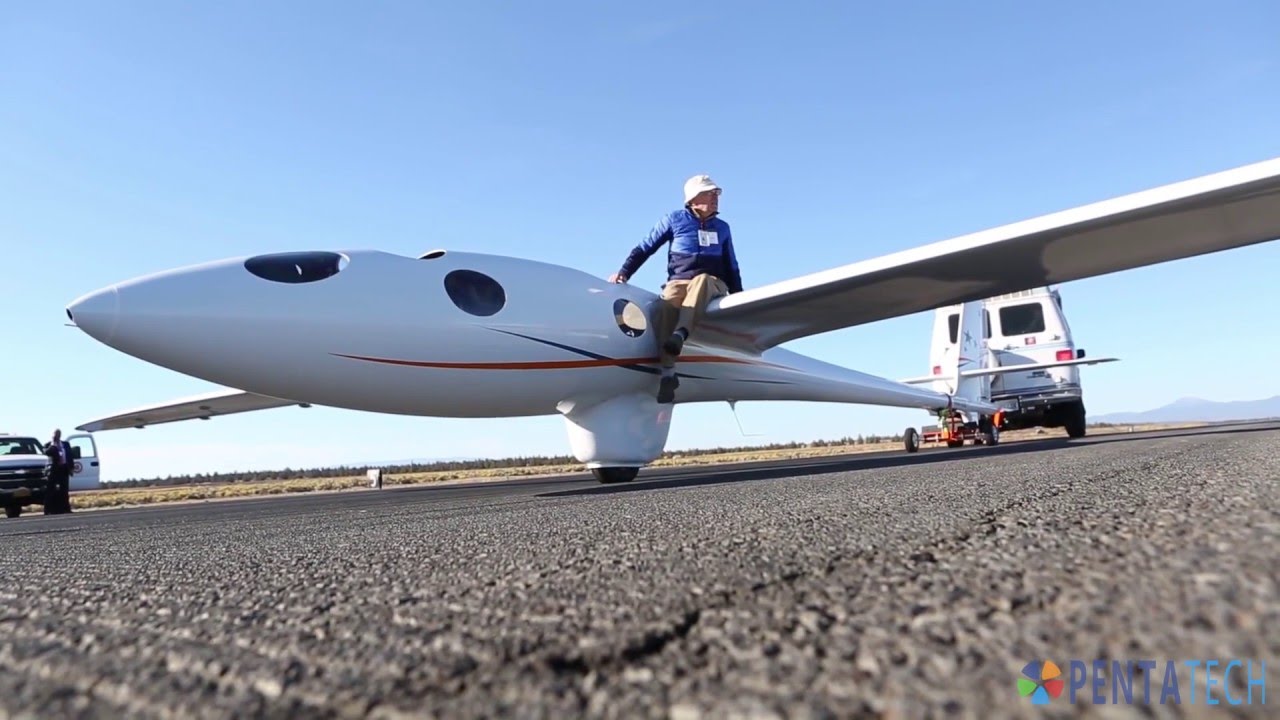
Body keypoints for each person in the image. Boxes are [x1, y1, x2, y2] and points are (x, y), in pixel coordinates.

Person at [610, 174, 743, 403]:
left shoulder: (723, 228)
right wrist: (624, 272)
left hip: (713, 282)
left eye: (716, 194)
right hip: (679, 281)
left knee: (702, 281)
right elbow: (645, 247)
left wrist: (740, 298)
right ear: (692, 198)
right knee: (665, 304)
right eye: (709, 193)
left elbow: (731, 264)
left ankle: (680, 335)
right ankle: (669, 373)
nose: (715, 197)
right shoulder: (674, 220)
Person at [43, 429, 74, 514]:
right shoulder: (49, 445)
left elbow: (70, 456)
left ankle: (66, 509)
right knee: (50, 489)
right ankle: (48, 510)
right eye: (56, 434)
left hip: (64, 468)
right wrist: (53, 444)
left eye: (59, 434)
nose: (57, 435)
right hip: (53, 469)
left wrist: (71, 468)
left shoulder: (65, 444)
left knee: (64, 489)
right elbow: (47, 452)